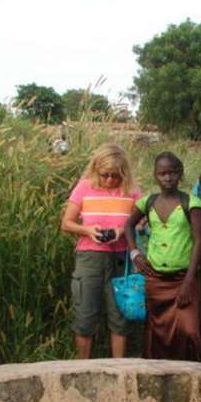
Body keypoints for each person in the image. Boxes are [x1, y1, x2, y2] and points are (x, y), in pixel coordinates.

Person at [60, 144, 141, 359]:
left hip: (120, 258)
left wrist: (121, 231)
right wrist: (88, 230)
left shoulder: (132, 191)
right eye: (105, 175)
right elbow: (66, 223)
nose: (109, 180)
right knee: (85, 315)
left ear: (123, 172)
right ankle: (83, 367)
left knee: (120, 316)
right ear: (96, 169)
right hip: (90, 257)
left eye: (115, 176)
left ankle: (119, 368)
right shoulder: (84, 187)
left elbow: (142, 222)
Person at [124, 152, 201, 361]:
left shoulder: (191, 203)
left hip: (183, 279)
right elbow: (128, 225)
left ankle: (190, 375)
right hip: (155, 278)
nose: (168, 178)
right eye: (162, 173)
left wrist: (189, 281)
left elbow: (199, 240)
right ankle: (157, 375)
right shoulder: (148, 202)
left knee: (189, 331)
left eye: (173, 173)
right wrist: (135, 253)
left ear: (180, 174)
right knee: (156, 331)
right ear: (155, 175)